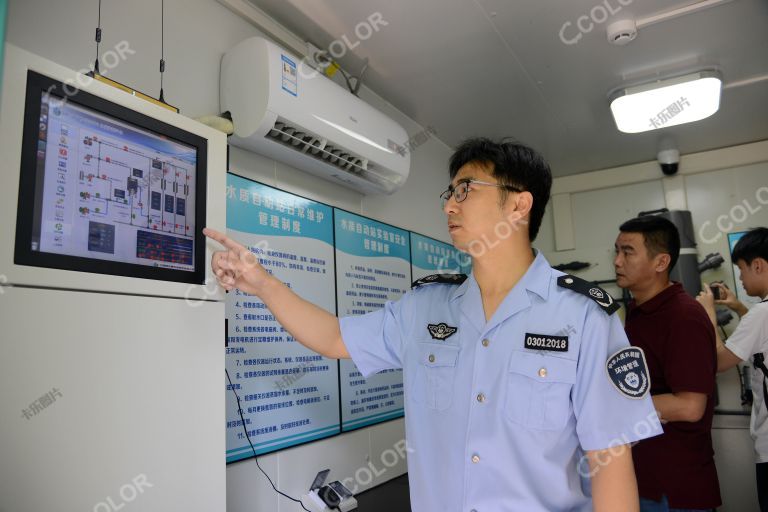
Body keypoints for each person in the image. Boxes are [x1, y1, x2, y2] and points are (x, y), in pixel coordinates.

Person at [206, 138, 662, 512]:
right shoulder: (426, 307)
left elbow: (610, 459)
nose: (449, 205)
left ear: (519, 205)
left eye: (466, 189)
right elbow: (333, 337)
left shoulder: (583, 317)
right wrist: (261, 283)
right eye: (450, 193)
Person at [614, 215, 721, 512]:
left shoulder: (683, 316)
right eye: (617, 251)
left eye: (628, 252)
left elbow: (689, 406)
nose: (617, 261)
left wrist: (612, 406)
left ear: (661, 262)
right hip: (644, 478)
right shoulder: (639, 312)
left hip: (675, 489)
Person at [696, 227, 768, 512]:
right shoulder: (760, 314)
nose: (740, 278)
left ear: (759, 265)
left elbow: (718, 361)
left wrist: (708, 316)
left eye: (741, 270)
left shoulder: (762, 314)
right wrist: (739, 308)